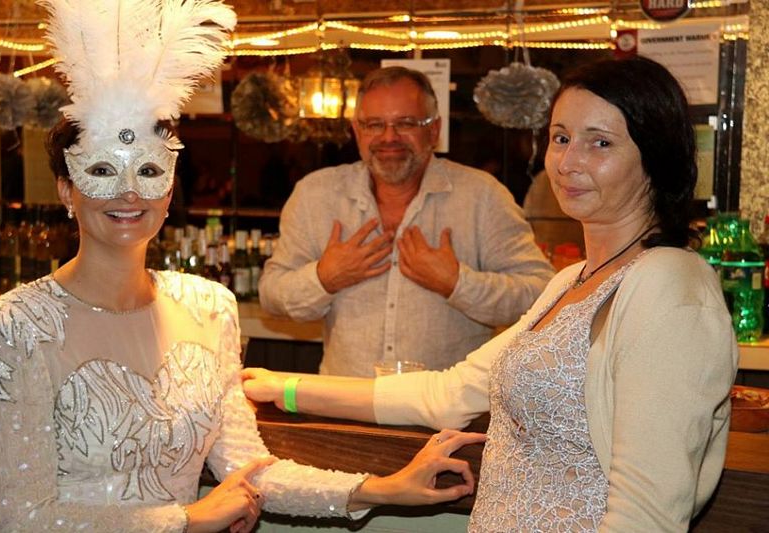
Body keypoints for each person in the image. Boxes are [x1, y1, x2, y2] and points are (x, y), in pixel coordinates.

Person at [0, 2, 485, 532]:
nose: (129, 193)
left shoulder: (208, 307)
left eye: (148, 171)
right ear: (65, 190)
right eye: (101, 171)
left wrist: (383, 487)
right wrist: (187, 520)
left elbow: (250, 468)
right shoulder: (12, 328)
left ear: (170, 190)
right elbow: (18, 519)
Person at [243, 56, 738, 531]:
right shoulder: (571, 282)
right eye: (561, 138)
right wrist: (284, 387)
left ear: (655, 155)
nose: (568, 162)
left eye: (600, 143)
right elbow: (447, 394)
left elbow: (647, 517)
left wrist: (457, 282)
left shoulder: (670, 283)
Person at [259, 66, 553, 376]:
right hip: (344, 398)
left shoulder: (482, 196)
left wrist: (458, 283)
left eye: (406, 123)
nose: (389, 137)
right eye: (375, 124)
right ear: (357, 131)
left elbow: (541, 295)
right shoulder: (315, 194)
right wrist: (324, 278)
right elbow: (271, 294)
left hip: (447, 403)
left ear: (434, 130)